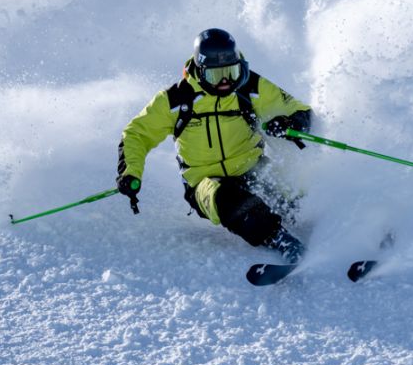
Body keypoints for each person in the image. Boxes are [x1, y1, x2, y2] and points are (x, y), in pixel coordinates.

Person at [115, 28, 312, 263]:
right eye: (215, 76)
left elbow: (300, 111)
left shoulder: (250, 87)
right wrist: (130, 172)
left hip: (251, 167)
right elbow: (137, 134)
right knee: (232, 201)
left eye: (231, 71)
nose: (225, 82)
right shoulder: (176, 100)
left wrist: (289, 122)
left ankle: (337, 234)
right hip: (205, 182)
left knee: (297, 199)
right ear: (200, 71)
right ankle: (279, 240)